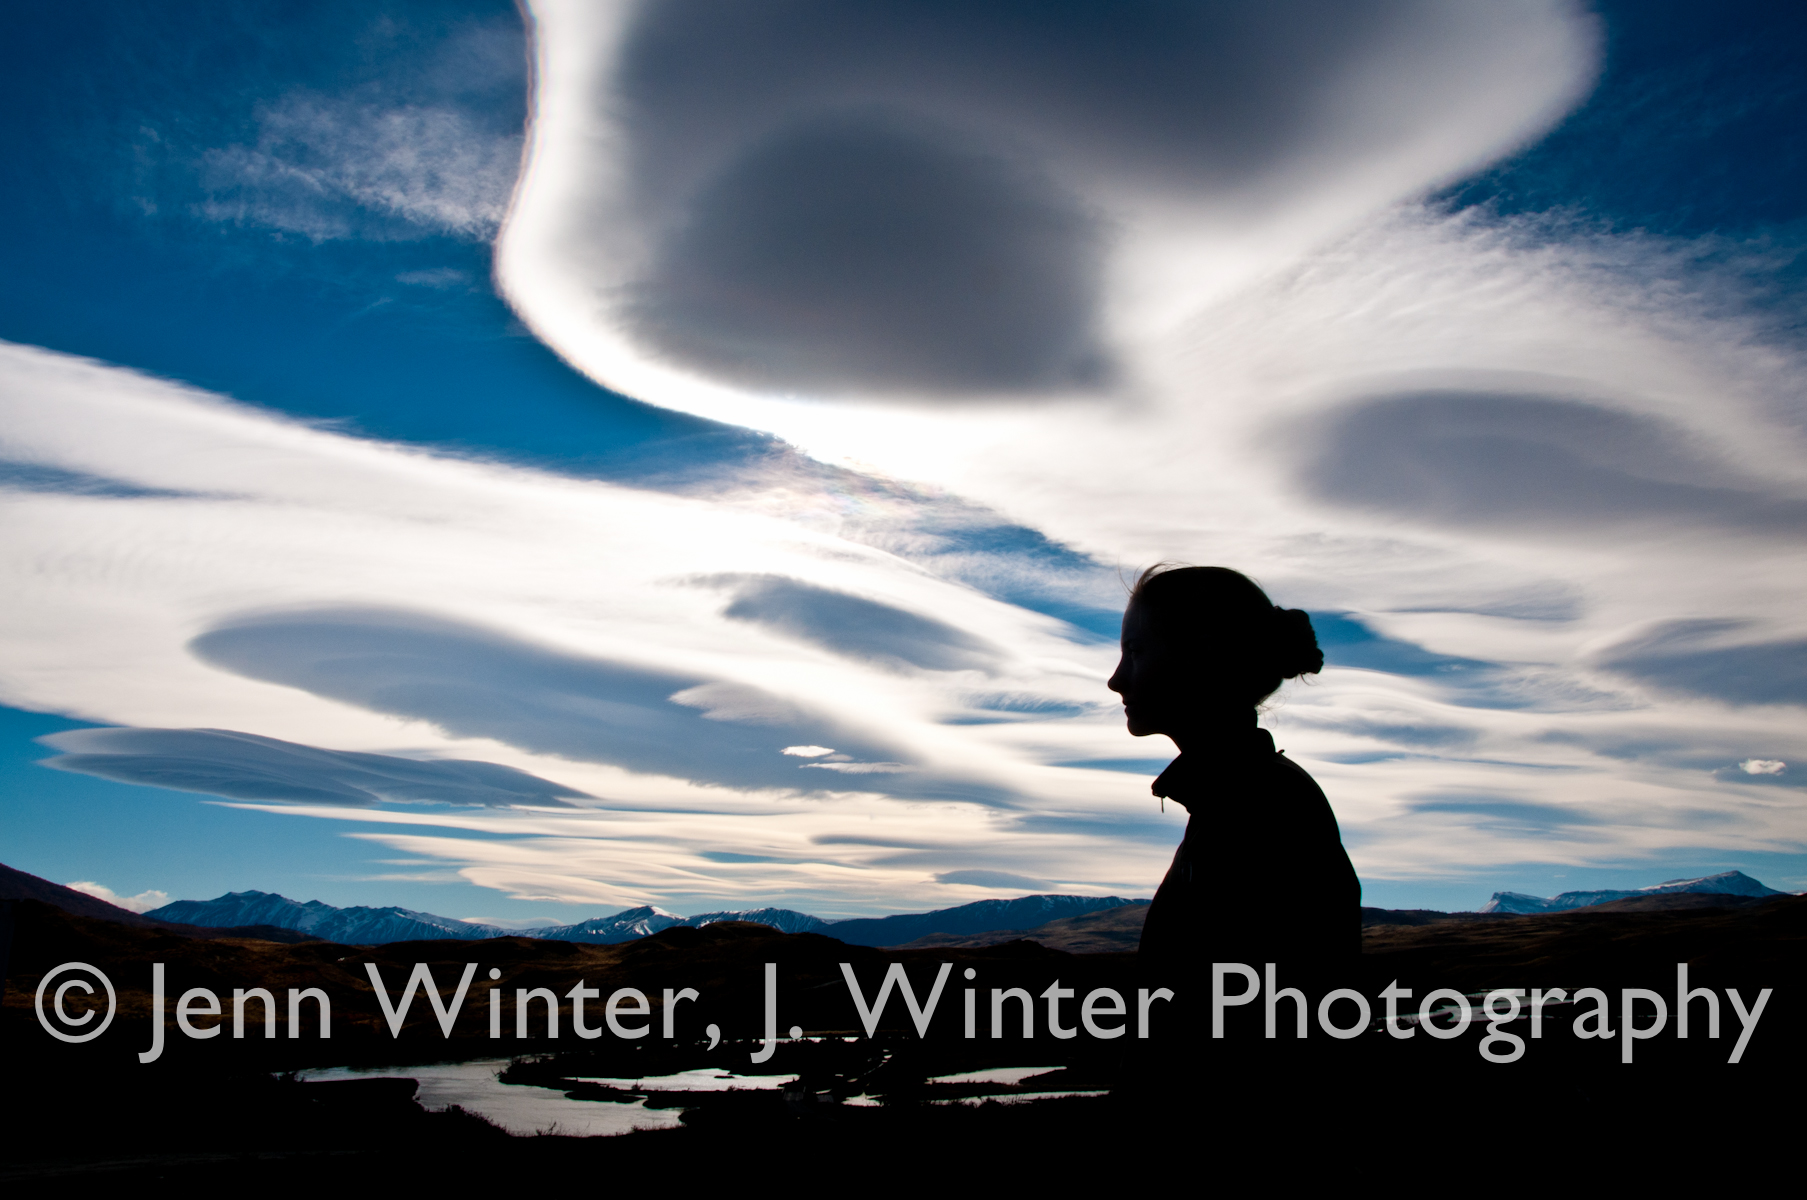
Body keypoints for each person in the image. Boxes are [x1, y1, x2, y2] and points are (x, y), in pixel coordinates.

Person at [1108, 565, 1360, 1063]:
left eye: (1134, 651)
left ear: (1202, 654)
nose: (1116, 679)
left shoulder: (1262, 809)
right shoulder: (1236, 798)